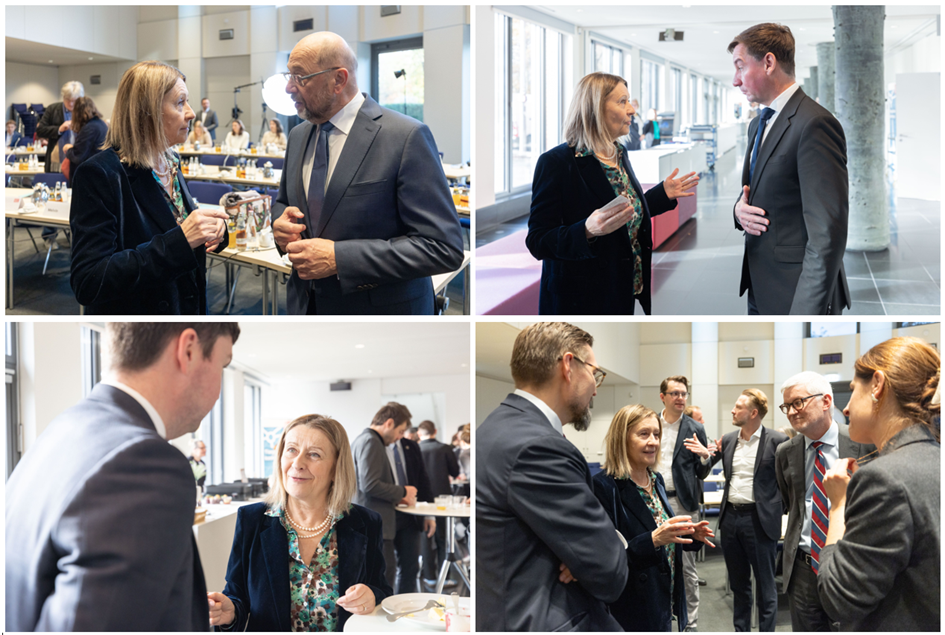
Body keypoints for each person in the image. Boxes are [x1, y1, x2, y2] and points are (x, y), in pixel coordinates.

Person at [6, 322, 239, 631]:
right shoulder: (144, 464)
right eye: (222, 365)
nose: (219, 392)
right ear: (188, 350)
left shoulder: (62, 430)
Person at [271, 32, 464, 315]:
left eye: (300, 77)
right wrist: (280, 226)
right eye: (288, 75)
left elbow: (442, 247)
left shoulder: (405, 136)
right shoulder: (298, 135)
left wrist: (340, 258)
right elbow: (283, 202)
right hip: (305, 306)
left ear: (338, 80)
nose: (289, 88)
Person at [477, 322, 628, 631]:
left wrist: (587, 553)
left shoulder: (495, 427)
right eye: (595, 373)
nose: (595, 388)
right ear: (569, 365)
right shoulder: (539, 446)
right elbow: (609, 569)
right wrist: (602, 547)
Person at [526, 72, 699, 316]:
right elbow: (537, 240)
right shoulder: (555, 163)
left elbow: (620, 214)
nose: (632, 110)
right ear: (595, 108)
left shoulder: (618, 153)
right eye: (622, 101)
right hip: (580, 300)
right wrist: (586, 231)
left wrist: (661, 195)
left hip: (620, 290)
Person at [69, 61, 229, 314]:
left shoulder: (170, 160)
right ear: (148, 111)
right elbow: (89, 281)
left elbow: (174, 223)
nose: (191, 113)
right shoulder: (100, 174)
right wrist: (180, 242)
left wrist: (214, 231)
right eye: (180, 103)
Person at [208, 414, 391, 631]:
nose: (297, 463)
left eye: (314, 454)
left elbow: (381, 591)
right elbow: (237, 596)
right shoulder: (252, 520)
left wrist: (372, 596)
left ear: (335, 469)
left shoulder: (366, 523)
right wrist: (229, 613)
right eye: (292, 450)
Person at [818, 337, 941, 631]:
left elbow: (838, 599)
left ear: (877, 385)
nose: (846, 408)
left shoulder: (883, 478)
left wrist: (838, 506)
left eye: (852, 390)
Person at [729, 23, 849, 315]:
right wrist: (738, 210)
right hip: (761, 283)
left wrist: (804, 313)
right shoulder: (758, 124)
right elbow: (758, 191)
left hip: (795, 292)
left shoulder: (814, 124)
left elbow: (827, 234)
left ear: (769, 63)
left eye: (740, 66)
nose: (735, 80)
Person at [593, 405, 715, 631]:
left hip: (663, 596)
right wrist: (654, 539)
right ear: (622, 438)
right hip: (632, 605)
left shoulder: (655, 479)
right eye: (644, 434)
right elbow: (607, 558)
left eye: (657, 434)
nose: (653, 442)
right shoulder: (604, 487)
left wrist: (689, 535)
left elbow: (661, 532)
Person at [774, 371, 874, 631]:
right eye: (787, 406)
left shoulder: (864, 443)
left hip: (851, 563)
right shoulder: (785, 452)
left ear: (826, 401)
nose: (791, 412)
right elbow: (791, 502)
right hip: (803, 569)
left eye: (798, 403)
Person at [684, 389, 789, 631]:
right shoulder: (729, 439)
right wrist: (705, 456)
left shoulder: (778, 441)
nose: (732, 410)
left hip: (760, 521)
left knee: (766, 587)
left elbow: (788, 482)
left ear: (753, 413)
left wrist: (776, 510)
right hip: (730, 519)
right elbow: (704, 470)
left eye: (739, 407)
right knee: (739, 586)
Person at [351, 402, 430, 593]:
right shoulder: (371, 441)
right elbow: (370, 484)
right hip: (375, 519)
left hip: (373, 519)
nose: (400, 437)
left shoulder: (362, 439)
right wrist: (403, 492)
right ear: (389, 423)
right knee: (384, 577)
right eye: (400, 431)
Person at [656, 376, 712, 631]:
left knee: (687, 566)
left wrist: (705, 456)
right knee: (656, 558)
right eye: (675, 393)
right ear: (663, 397)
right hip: (654, 497)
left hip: (683, 502)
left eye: (683, 394)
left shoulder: (694, 428)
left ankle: (690, 623)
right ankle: (662, 615)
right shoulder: (651, 423)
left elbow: (703, 472)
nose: (680, 398)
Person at [418, 420, 461, 585]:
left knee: (426, 537)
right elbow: (455, 472)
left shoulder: (416, 448)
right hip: (443, 499)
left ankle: (429, 576)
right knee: (443, 537)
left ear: (419, 434)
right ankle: (446, 577)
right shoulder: (445, 448)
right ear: (435, 431)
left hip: (422, 500)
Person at [35, 80, 84, 173]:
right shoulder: (52, 109)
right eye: (67, 99)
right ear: (63, 97)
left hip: (78, 159)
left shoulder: (84, 111)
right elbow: (40, 130)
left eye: (74, 100)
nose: (71, 103)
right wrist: (59, 129)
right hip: (56, 160)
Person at [63, 96, 108, 186]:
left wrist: (68, 149)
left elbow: (78, 156)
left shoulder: (90, 128)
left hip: (89, 177)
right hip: (99, 173)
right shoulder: (101, 124)